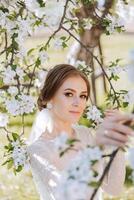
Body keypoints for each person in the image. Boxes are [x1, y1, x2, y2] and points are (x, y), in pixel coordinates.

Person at [27, 64, 134, 200]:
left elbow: (113, 189)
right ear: (48, 98)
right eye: (69, 94)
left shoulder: (85, 134)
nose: (78, 103)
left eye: (83, 96)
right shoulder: (38, 150)